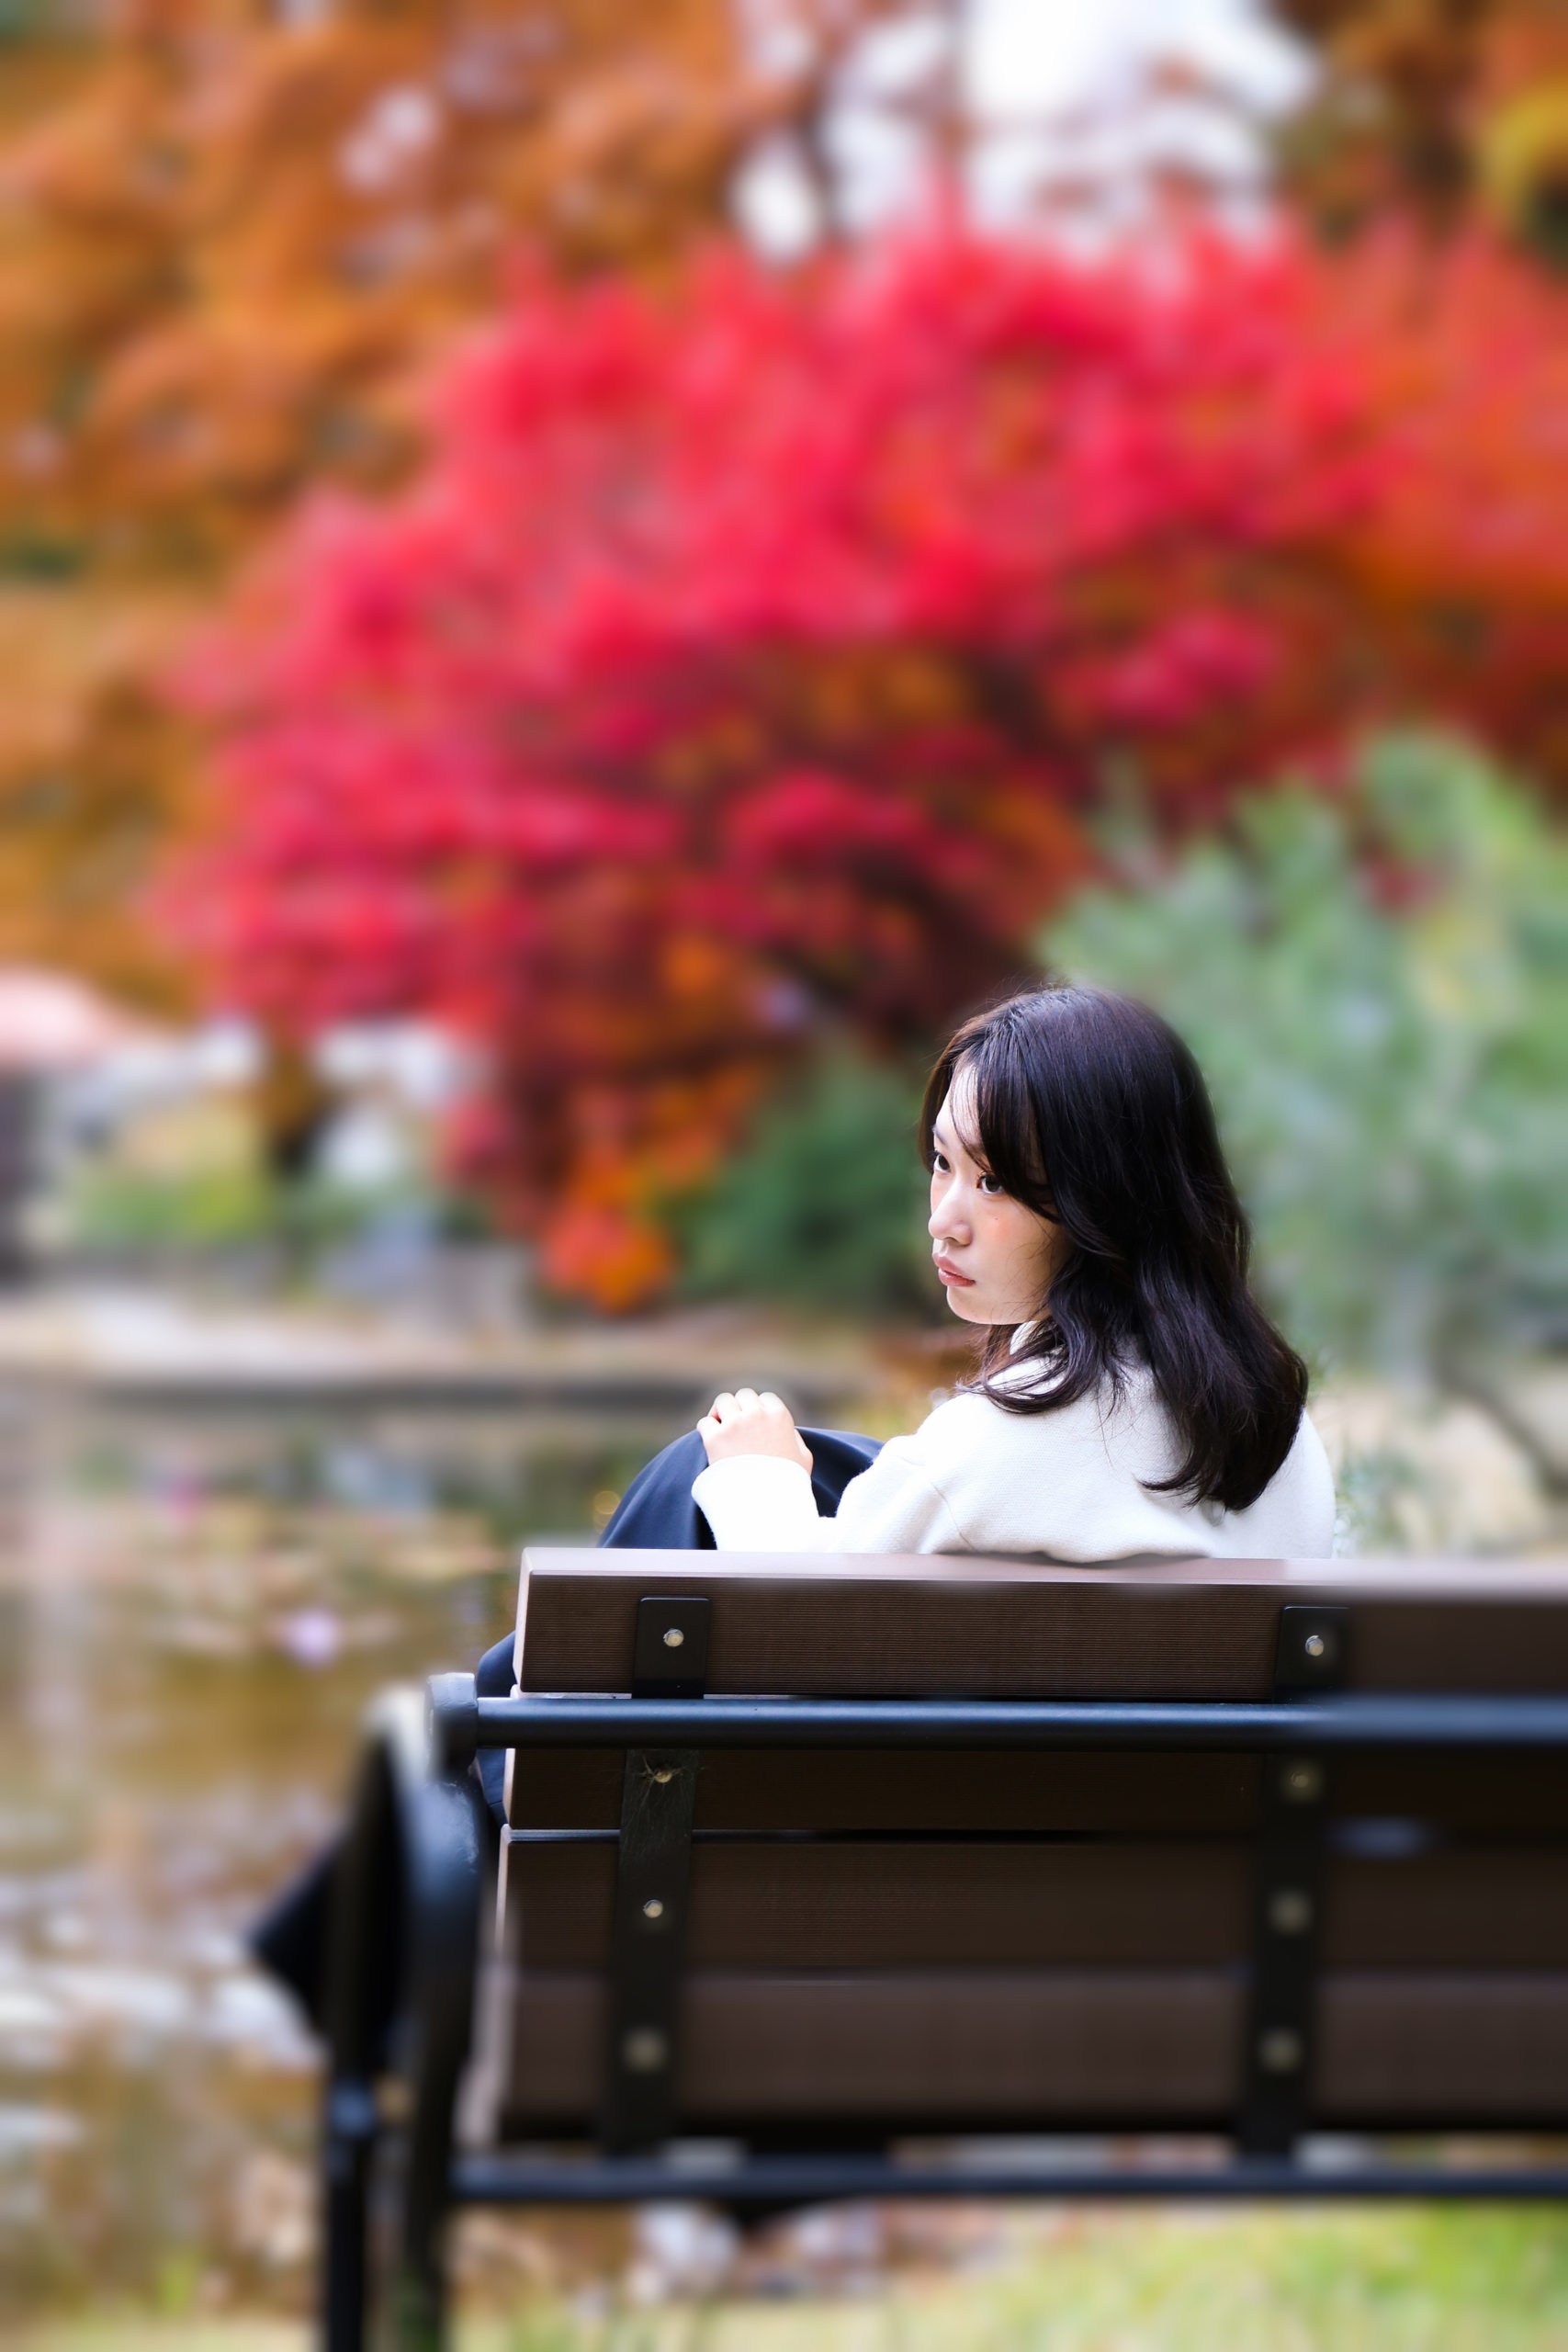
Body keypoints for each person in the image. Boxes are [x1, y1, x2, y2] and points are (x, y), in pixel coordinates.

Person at [589, 983, 1335, 1566]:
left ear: (1105, 1201)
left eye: (993, 1182)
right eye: (943, 1162)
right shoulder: (1279, 1432)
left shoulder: (1003, 1441)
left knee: (704, 1463)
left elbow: (798, 1607)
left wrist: (756, 1475)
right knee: (840, 1465)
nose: (942, 1219)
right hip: (1162, 1726)